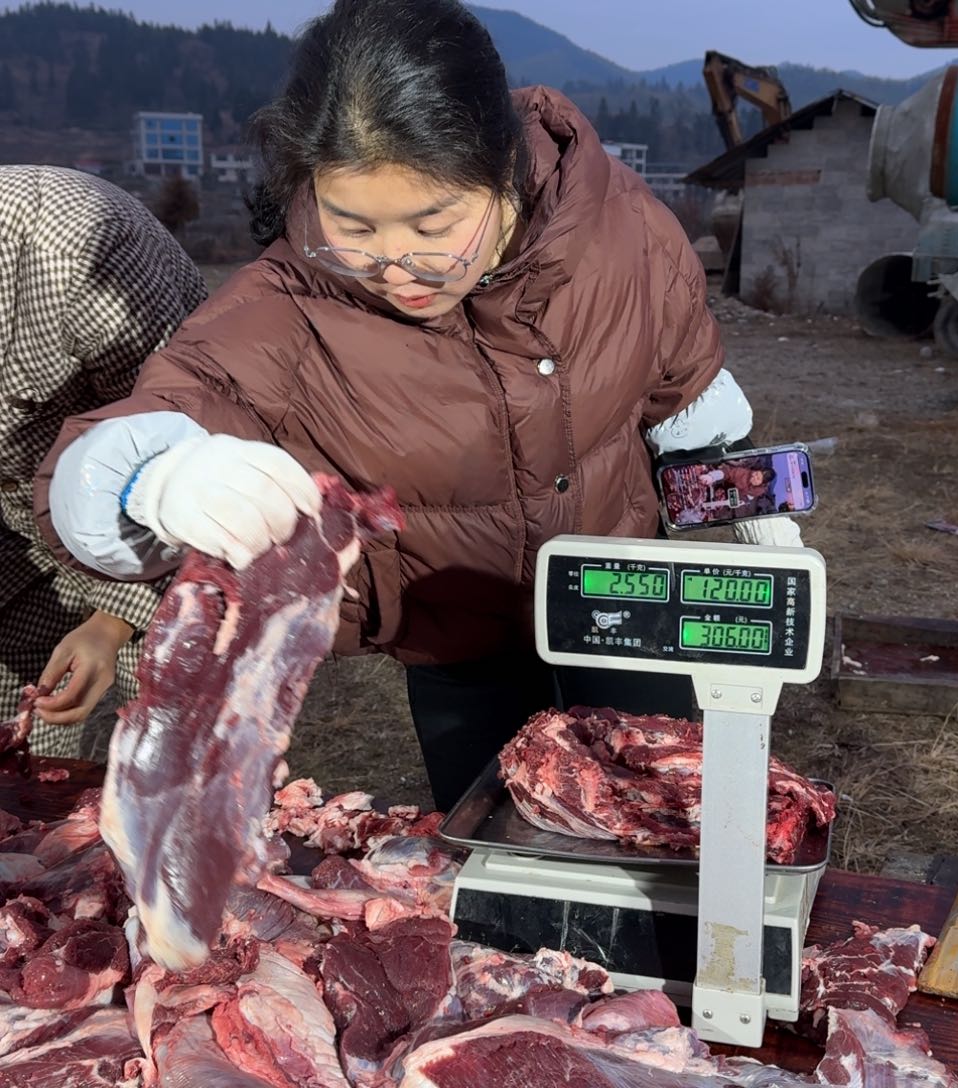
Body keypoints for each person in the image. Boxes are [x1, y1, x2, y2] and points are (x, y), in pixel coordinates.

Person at [36, 0, 801, 808]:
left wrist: (751, 503)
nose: (395, 265)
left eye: (434, 226)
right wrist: (154, 478)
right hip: (460, 646)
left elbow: (687, 393)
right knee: (499, 848)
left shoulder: (622, 230)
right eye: (353, 226)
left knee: (659, 825)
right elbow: (118, 449)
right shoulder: (287, 310)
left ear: (502, 167)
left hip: (632, 605)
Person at [1, 165, 206, 757]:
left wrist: (112, 621)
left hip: (160, 520)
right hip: (16, 523)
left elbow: (184, 448)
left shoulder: (77, 249)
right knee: (22, 745)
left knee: (171, 747)